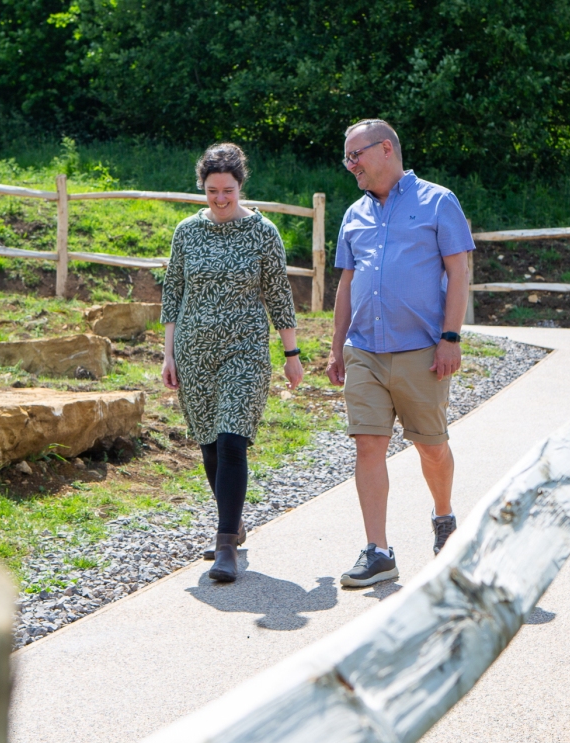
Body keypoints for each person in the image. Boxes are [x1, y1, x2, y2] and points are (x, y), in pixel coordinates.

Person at [327, 119, 474, 588]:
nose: (350, 165)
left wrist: (450, 338)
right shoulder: (354, 213)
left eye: (356, 155)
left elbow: (459, 271)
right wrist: (337, 347)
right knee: (368, 444)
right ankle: (378, 551)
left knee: (431, 446)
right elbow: (347, 283)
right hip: (364, 350)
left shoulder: (438, 201)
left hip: (422, 352)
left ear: (386, 149)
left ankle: (444, 516)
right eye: (347, 158)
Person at [160, 143, 304, 583]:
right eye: (212, 191)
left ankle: (226, 545)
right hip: (193, 352)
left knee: (230, 440)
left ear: (241, 186)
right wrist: (168, 353)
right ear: (202, 188)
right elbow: (173, 291)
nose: (220, 199)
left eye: (228, 190)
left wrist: (292, 355)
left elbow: (278, 294)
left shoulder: (263, 232)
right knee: (208, 444)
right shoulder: (187, 232)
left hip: (245, 351)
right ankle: (233, 522)